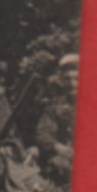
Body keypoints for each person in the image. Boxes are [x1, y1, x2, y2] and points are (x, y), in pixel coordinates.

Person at [34, 53, 79, 184]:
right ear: (62, 81)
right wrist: (58, 147)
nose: (72, 83)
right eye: (68, 79)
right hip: (64, 160)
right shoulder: (54, 107)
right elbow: (43, 134)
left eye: (77, 78)